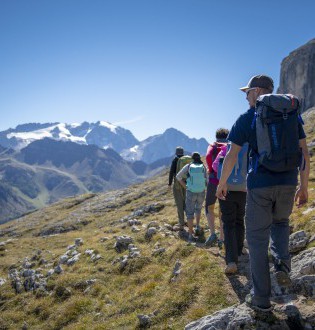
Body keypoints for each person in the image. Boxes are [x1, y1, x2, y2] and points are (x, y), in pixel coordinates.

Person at [216, 74, 310, 312]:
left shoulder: (247, 118)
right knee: (280, 224)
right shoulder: (291, 116)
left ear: (257, 92)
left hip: (259, 186)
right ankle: (281, 267)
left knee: (257, 240)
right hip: (288, 183)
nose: (246, 96)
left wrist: (222, 182)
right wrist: (304, 186)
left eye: (247, 91)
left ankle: (261, 300)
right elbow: (304, 153)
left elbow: (231, 155)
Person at [213, 143, 247, 274]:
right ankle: (239, 251)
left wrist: (225, 180)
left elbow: (216, 166)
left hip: (226, 190)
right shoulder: (247, 149)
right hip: (243, 190)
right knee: (239, 220)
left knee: (228, 224)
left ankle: (231, 261)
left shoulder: (225, 149)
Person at [204, 128, 229, 247]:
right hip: (226, 183)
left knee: (209, 207)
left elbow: (208, 158)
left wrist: (211, 170)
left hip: (213, 181)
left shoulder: (212, 146)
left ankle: (213, 233)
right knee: (223, 209)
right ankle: (222, 238)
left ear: (216, 136)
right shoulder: (229, 147)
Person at [176, 152, 207, 243]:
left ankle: (190, 235)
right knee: (198, 209)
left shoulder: (189, 166)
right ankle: (197, 227)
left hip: (191, 192)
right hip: (201, 191)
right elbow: (207, 179)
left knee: (189, 213)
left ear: (192, 158)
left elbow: (178, 176)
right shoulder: (203, 167)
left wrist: (186, 186)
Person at [168, 146, 186, 230]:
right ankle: (190, 220)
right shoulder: (187, 160)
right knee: (187, 203)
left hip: (178, 185)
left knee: (179, 203)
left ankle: (181, 222)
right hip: (187, 184)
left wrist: (169, 183)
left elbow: (171, 172)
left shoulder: (175, 160)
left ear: (176, 153)